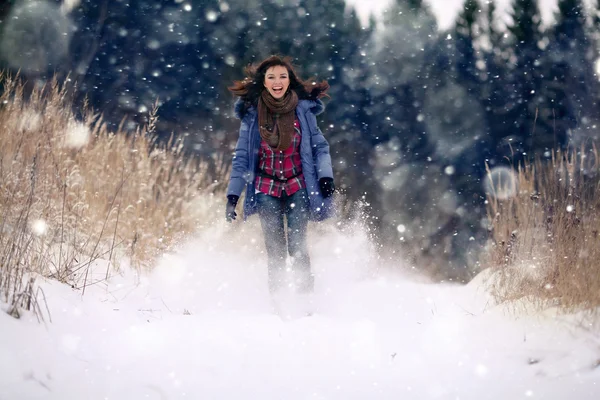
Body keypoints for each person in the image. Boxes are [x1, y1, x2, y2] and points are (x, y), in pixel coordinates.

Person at [225, 55, 335, 294]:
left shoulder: (303, 111)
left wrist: (326, 177)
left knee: (297, 247)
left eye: (282, 77)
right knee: (275, 250)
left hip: (298, 185)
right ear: (263, 82)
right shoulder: (252, 115)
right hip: (266, 189)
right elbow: (242, 156)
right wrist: (233, 196)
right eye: (271, 77)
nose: (277, 81)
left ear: (289, 80)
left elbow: (320, 147)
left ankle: (305, 299)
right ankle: (278, 302)